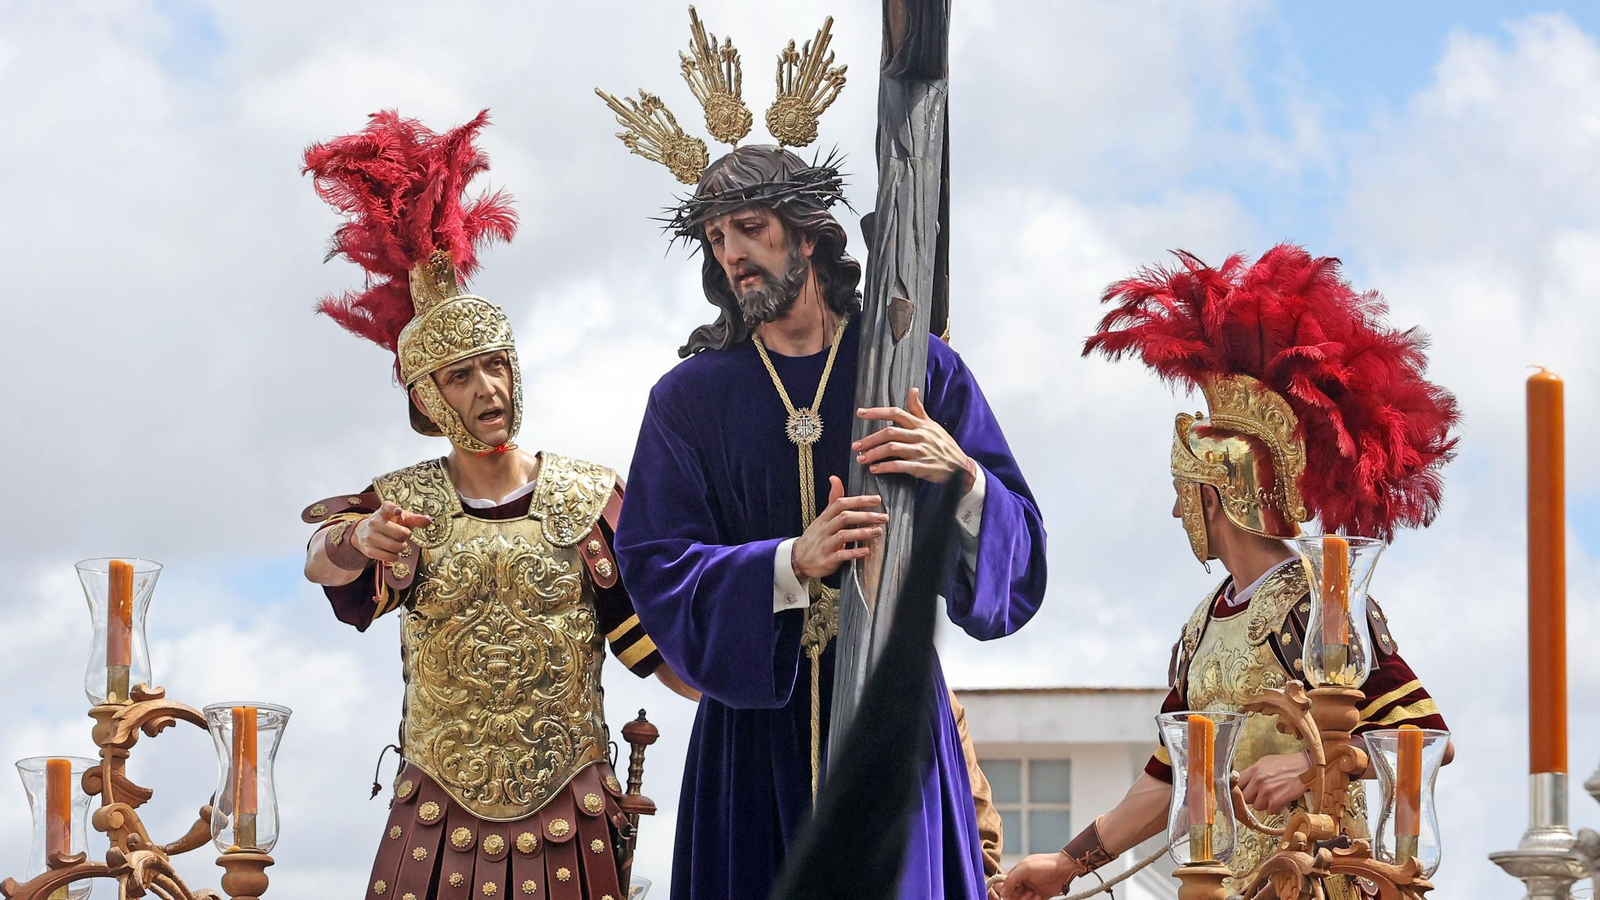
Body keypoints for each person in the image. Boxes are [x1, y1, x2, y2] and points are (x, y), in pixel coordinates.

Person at [596, 12, 1047, 900]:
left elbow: (1023, 554)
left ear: (806, 235)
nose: (733, 256)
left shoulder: (918, 368)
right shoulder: (688, 401)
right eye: (718, 241)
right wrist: (784, 565)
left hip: (892, 721)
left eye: (752, 230)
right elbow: (650, 564)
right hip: (751, 747)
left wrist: (958, 476)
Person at [298, 110, 689, 900]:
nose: (489, 391)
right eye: (461, 377)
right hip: (437, 818)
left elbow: (652, 638)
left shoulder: (587, 498)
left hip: (568, 816)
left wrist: (764, 681)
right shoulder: (403, 504)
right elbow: (323, 560)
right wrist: (360, 539)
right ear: (427, 399)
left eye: (497, 368)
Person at [1001, 245, 1459, 900]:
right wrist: (1069, 863)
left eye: (1182, 492)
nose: (1174, 509)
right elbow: (1169, 778)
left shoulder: (1315, 602)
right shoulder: (1201, 624)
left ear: (1213, 497)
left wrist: (1312, 763)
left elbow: (1425, 734)